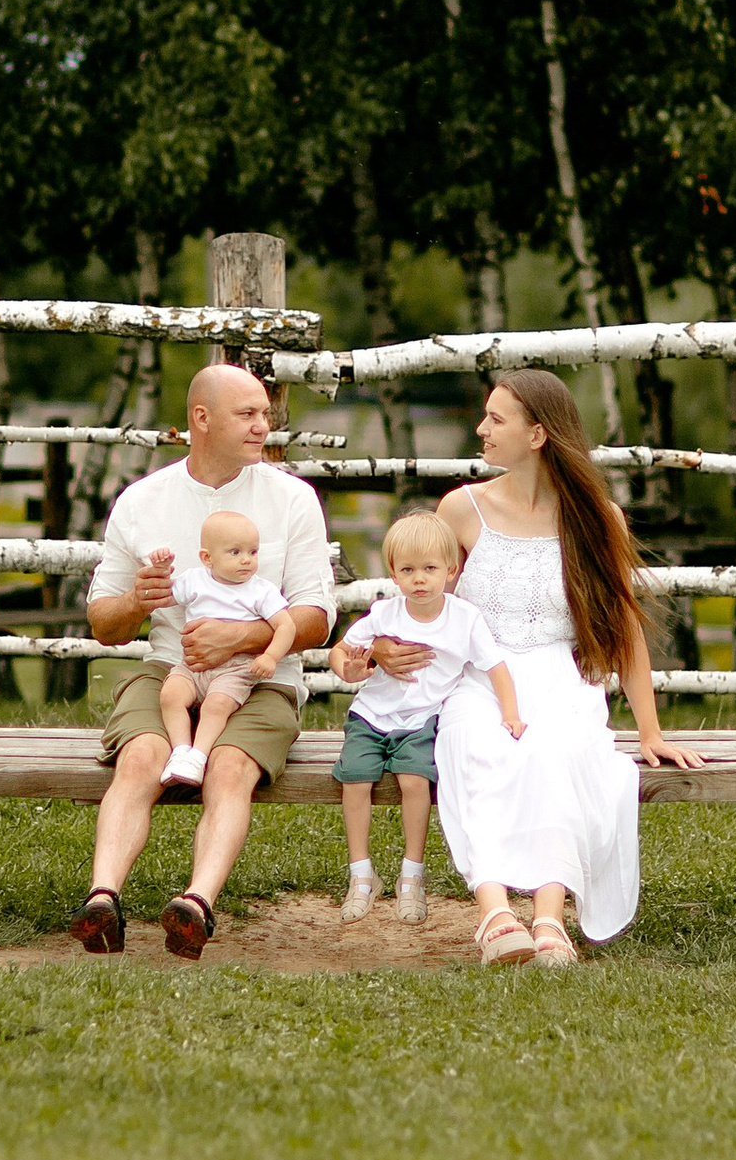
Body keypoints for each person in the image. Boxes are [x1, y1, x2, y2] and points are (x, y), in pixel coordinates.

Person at [371, 369, 703, 967]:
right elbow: (418, 595)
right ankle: (495, 912)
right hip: (479, 674)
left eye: (496, 418)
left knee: (560, 752)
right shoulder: (462, 509)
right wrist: (381, 647)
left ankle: (550, 920)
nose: (482, 428)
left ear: (538, 435)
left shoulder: (597, 517)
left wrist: (649, 732)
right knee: (477, 744)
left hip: (560, 677)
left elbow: (625, 630)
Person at [73, 361, 335, 959]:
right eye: (248, 414)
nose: (263, 426)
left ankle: (195, 906)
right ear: (201, 419)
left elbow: (317, 619)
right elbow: (103, 624)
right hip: (170, 669)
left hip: (263, 679)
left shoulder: (293, 499)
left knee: (230, 766)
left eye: (266, 414)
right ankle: (101, 900)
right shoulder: (143, 502)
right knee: (141, 758)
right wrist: (138, 601)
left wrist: (239, 638)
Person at [330, 508, 521, 925]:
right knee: (356, 780)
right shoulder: (384, 614)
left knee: (416, 782)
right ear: (393, 574)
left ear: (451, 571)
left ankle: (411, 874)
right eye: (408, 569)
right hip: (371, 715)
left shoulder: (464, 618)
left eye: (430, 568)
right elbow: (341, 650)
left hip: (422, 718)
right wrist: (348, 669)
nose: (419, 579)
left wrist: (511, 714)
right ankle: (361, 874)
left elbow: (496, 667)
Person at [155, 510, 297, 785]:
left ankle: (199, 755)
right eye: (235, 552)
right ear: (207, 558)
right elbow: (163, 596)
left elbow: (286, 625)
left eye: (253, 552)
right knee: (170, 695)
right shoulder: (195, 580)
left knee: (216, 705)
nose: (247, 560)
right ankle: (181, 750)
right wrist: (161, 570)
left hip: (236, 668)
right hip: (193, 664)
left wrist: (270, 655)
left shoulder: (260, 591)